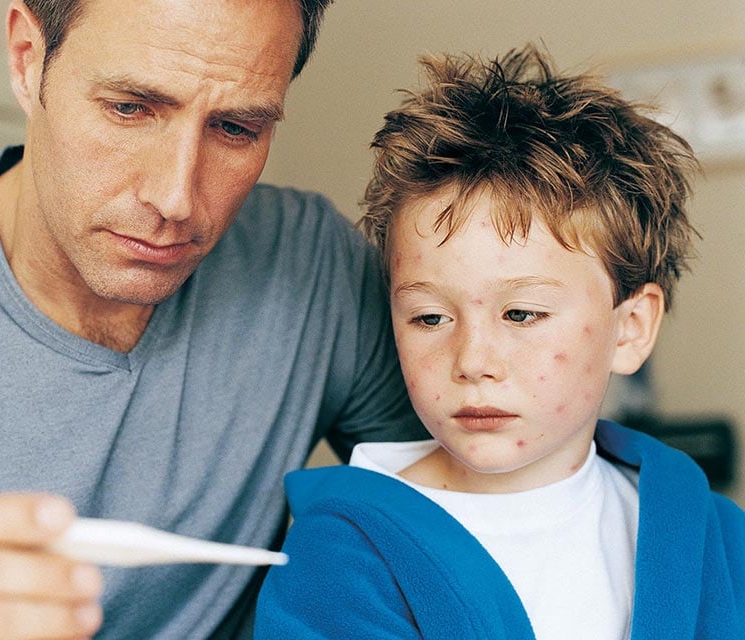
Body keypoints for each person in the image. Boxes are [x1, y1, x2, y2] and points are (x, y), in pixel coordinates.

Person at [0, 1, 421, 638]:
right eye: (129, 108)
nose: (176, 197)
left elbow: (470, 503)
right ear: (29, 59)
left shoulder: (313, 266)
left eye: (236, 128)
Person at [254, 44, 745, 639]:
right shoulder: (339, 561)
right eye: (430, 318)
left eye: (522, 313)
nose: (473, 362)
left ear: (631, 328)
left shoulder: (711, 535)